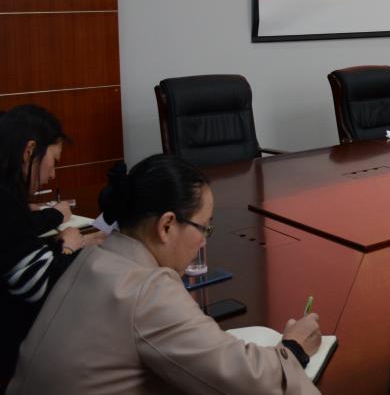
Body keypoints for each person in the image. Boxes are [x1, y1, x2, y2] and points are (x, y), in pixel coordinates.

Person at [9, 154, 321, 394]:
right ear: (167, 225)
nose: (204, 241)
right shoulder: (147, 289)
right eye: (204, 227)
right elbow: (249, 380)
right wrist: (294, 349)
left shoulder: (91, 258)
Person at [0, 105, 104, 385]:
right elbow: (41, 288)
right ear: (29, 150)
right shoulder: (5, 202)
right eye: (54, 161)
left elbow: (16, 248)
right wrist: (69, 247)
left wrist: (73, 242)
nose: (52, 175)